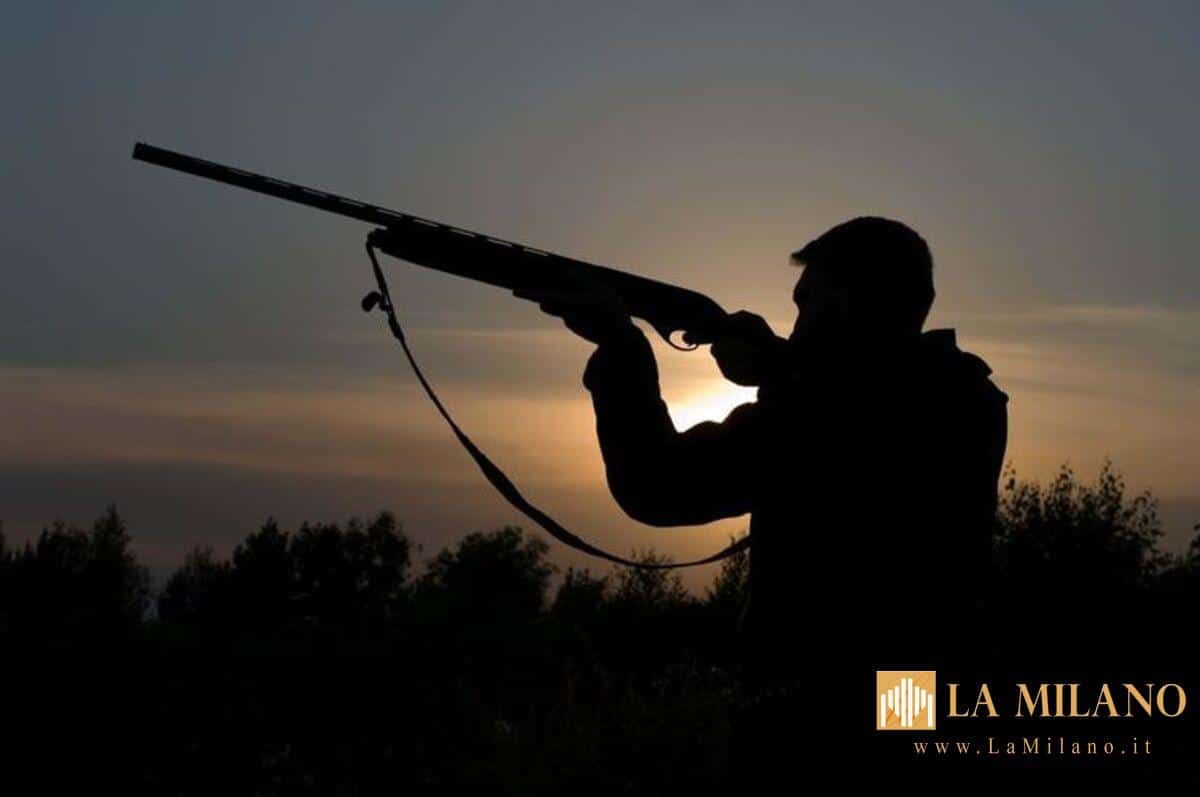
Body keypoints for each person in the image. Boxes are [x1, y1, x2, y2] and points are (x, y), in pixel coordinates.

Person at [528, 217, 1008, 786]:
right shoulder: (967, 397)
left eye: (808, 304)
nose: (798, 323)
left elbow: (657, 485)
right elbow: (869, 402)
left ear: (848, 303)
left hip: (810, 713)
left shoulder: (822, 411)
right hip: (914, 692)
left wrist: (621, 345)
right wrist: (778, 367)